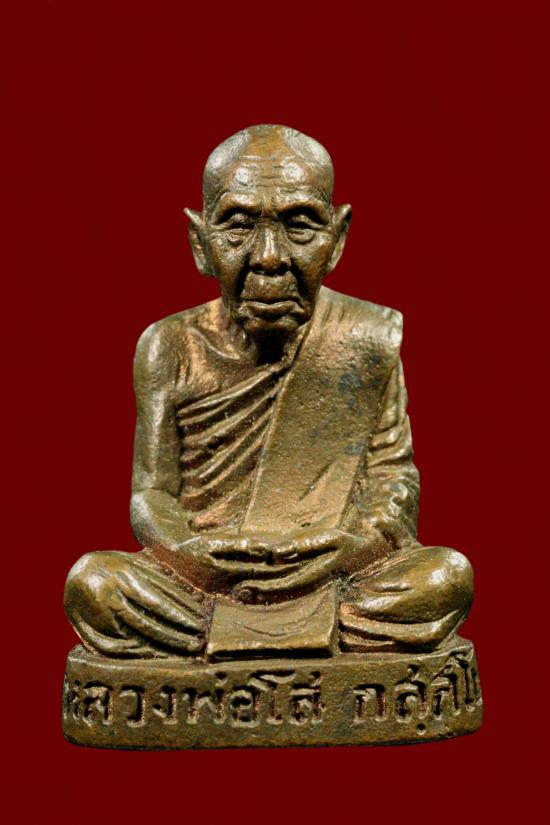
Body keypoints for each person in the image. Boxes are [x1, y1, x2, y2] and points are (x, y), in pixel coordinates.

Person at [64, 124, 473, 658]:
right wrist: (191, 554)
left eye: (300, 225)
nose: (270, 257)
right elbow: (152, 493)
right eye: (237, 227)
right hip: (209, 575)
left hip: (327, 573)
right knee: (94, 583)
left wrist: (352, 550)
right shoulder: (169, 346)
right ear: (200, 242)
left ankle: (231, 638)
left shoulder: (366, 339)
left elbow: (392, 477)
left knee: (445, 576)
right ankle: (277, 636)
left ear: (337, 238)